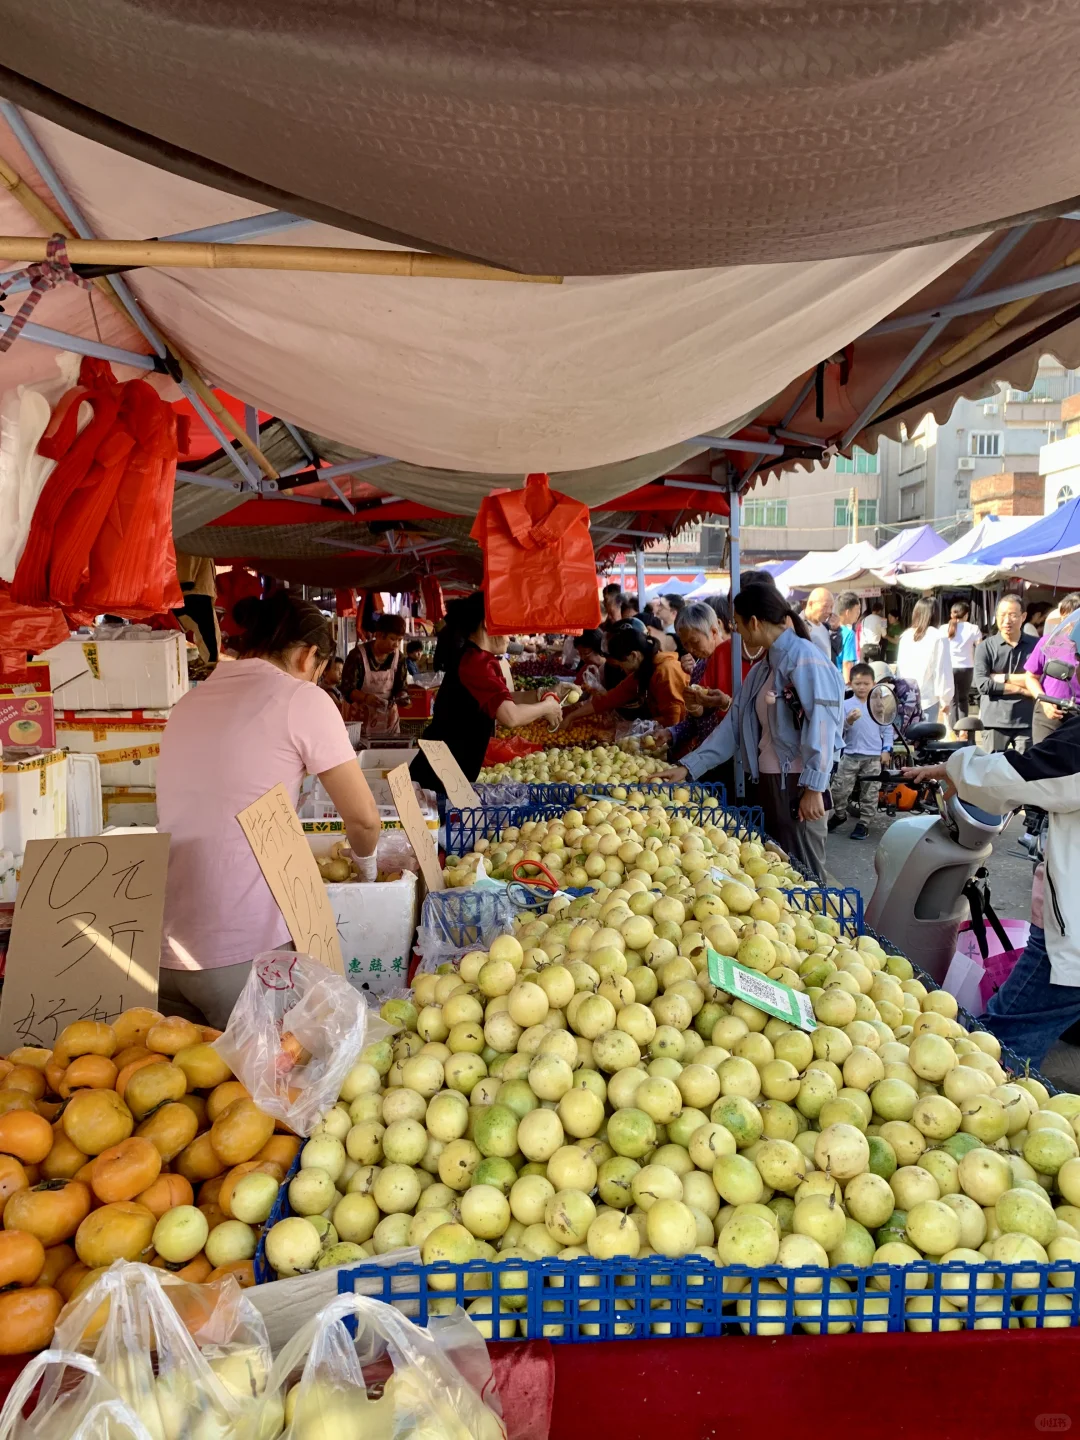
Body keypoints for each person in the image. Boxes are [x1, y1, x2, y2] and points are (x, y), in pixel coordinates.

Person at [155, 591, 381, 1027]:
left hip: (162, 951)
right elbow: (364, 818)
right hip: (242, 956)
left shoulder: (189, 701)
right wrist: (367, 868)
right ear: (309, 656)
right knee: (266, 1091)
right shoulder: (301, 698)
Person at [903, 719, 1080, 1068]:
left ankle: (973, 1095)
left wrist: (955, 768)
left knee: (999, 1038)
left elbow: (1025, 774)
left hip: (1072, 933)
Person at [660, 583, 844, 882]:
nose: (737, 633)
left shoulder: (804, 659)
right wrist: (688, 767)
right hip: (772, 784)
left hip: (798, 787)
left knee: (807, 874)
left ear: (754, 622)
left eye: (738, 624)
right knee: (782, 871)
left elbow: (823, 724)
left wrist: (814, 788)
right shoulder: (765, 667)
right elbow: (734, 724)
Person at [409, 591, 563, 795]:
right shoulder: (476, 663)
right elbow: (510, 716)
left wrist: (543, 693)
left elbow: (501, 699)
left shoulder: (478, 658)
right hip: (438, 775)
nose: (509, 639)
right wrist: (547, 707)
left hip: (445, 770)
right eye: (507, 629)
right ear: (489, 625)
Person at [565, 625, 689, 729]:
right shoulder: (643, 670)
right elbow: (609, 699)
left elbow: (674, 720)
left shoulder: (666, 671)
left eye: (622, 665)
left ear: (634, 655)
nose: (622, 670)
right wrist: (571, 717)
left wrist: (631, 725)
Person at [656, 601, 732, 758]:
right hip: (707, 756)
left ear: (713, 631)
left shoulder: (735, 662)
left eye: (695, 642)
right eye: (685, 644)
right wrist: (670, 733)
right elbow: (694, 723)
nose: (691, 649)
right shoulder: (698, 670)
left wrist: (724, 703)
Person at [828, 662, 894, 840]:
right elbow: (838, 731)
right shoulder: (846, 704)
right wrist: (848, 721)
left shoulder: (879, 705)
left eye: (866, 683)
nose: (862, 687)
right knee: (838, 790)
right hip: (850, 755)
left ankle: (863, 823)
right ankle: (840, 815)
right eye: (858, 683)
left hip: (872, 757)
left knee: (870, 793)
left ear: (873, 683)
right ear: (850, 684)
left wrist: (886, 749)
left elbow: (887, 729)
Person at [974, 594, 1036, 752]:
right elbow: (983, 685)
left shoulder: (1036, 645)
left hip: (1027, 720)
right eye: (1002, 615)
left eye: (1013, 615)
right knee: (991, 770)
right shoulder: (985, 647)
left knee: (1026, 771)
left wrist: (1003, 678)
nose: (1007, 620)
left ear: (1023, 617)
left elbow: (1040, 679)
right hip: (994, 721)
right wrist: (1021, 688)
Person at [1024, 594, 1080, 744]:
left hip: (1077, 715)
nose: (1066, 624)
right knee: (1041, 762)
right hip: (1048, 714)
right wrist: (1044, 702)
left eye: (1071, 619)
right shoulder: (1053, 642)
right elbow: (1030, 676)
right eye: (1063, 619)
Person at [341, 613, 410, 733]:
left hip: (388, 719)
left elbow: (401, 686)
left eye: (399, 640)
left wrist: (402, 696)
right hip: (358, 718)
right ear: (378, 635)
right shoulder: (357, 656)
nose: (396, 644)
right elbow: (347, 689)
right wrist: (366, 698)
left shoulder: (399, 658)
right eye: (392, 639)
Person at [896, 598, 953, 723]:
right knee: (926, 739)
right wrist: (945, 699)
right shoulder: (938, 637)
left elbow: (899, 668)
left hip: (905, 697)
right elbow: (942, 671)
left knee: (908, 739)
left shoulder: (906, 636)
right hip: (927, 699)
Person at [940, 600, 981, 733]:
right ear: (966, 614)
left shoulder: (944, 628)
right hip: (967, 667)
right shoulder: (973, 628)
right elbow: (979, 647)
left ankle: (954, 730)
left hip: (949, 667)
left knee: (952, 700)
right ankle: (964, 729)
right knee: (963, 699)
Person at [834, 591, 861, 683]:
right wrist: (848, 686)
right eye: (857, 611)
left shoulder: (828, 629)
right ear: (847, 612)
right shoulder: (849, 634)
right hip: (840, 680)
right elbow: (847, 664)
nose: (858, 615)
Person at [802, 587, 835, 659]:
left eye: (831, 607)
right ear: (811, 604)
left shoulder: (825, 627)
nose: (829, 611)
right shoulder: (797, 625)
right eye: (825, 606)